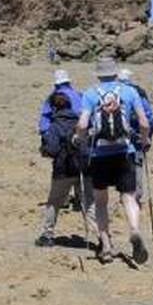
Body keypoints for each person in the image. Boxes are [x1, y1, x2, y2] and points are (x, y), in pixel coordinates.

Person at [76, 57, 151, 264]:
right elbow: (143, 123)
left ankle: (106, 244)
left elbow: (82, 125)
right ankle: (134, 230)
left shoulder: (90, 94)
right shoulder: (129, 92)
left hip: (99, 154)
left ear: (98, 74)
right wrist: (144, 141)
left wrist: (81, 141)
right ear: (116, 73)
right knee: (128, 197)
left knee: (101, 201)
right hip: (124, 152)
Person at [36, 92, 94, 247]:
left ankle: (47, 235)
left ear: (54, 108)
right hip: (85, 167)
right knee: (88, 203)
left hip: (64, 169)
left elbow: (52, 150)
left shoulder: (55, 126)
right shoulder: (81, 121)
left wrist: (45, 147)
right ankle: (100, 238)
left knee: (54, 202)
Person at [40, 69, 92, 214]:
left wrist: (46, 136)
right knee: (79, 163)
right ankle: (79, 198)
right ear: (68, 82)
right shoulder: (79, 95)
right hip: (80, 134)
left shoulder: (53, 97)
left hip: (60, 134)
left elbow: (44, 120)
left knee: (61, 164)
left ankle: (63, 198)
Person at [118, 68, 153, 206]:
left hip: (119, 135)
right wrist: (148, 136)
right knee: (138, 163)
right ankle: (137, 193)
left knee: (123, 164)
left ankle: (125, 192)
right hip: (138, 134)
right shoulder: (138, 93)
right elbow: (150, 118)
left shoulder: (115, 92)